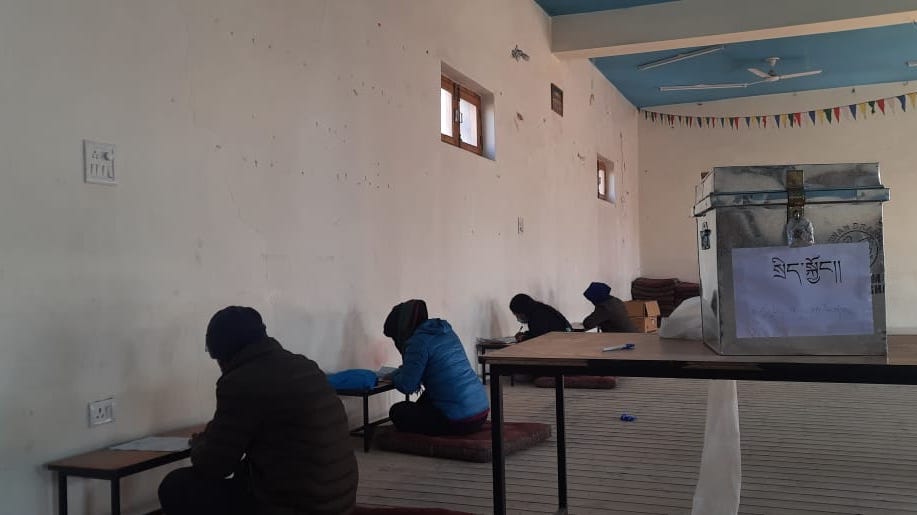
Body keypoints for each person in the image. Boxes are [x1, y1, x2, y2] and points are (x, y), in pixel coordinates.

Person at [158, 306, 358, 515]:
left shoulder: (241, 381)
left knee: (177, 486)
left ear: (224, 353)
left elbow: (215, 465)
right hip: (338, 500)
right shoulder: (303, 365)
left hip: (298, 505)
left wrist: (199, 443)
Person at [384, 299, 490, 436]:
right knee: (427, 398)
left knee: (398, 411)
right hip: (480, 411)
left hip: (460, 421)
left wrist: (393, 376)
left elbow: (408, 386)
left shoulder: (417, 342)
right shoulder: (446, 332)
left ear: (402, 328)